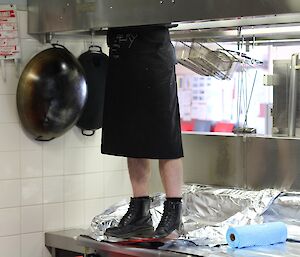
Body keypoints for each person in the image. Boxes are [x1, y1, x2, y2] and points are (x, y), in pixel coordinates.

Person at [101, 25, 184, 239]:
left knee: (165, 138)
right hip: (122, 55)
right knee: (132, 138)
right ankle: (140, 214)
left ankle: (174, 215)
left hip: (153, 53)